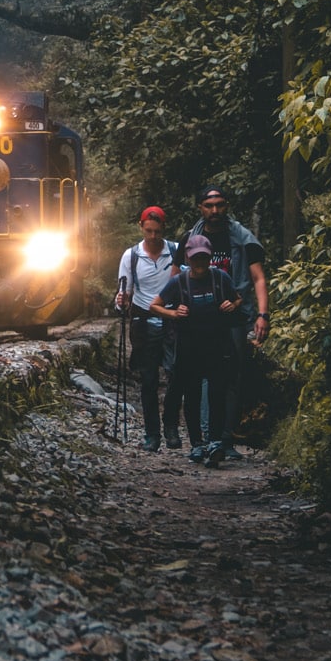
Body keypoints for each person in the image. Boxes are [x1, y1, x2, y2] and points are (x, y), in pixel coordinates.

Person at [181, 186, 269, 462]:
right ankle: (208, 438)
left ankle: (226, 438)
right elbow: (177, 277)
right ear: (200, 207)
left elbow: (258, 278)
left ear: (226, 206)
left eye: (219, 205)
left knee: (232, 378)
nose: (215, 211)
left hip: (234, 319)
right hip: (199, 322)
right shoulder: (191, 240)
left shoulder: (242, 238)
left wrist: (262, 315)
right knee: (203, 377)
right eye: (209, 205)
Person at [151, 240, 241, 466]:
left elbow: (238, 298)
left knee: (216, 394)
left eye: (204, 257)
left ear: (209, 257)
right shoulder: (179, 282)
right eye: (195, 258)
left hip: (217, 345)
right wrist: (173, 313)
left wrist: (232, 304)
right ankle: (197, 444)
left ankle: (215, 442)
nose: (200, 262)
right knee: (191, 396)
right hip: (188, 347)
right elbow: (155, 305)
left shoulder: (220, 278)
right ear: (188, 259)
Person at [114, 206, 179, 451]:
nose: (153, 236)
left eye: (157, 231)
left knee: (176, 376)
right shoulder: (130, 256)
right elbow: (124, 292)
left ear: (163, 229)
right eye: (148, 231)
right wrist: (121, 302)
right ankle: (153, 434)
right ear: (141, 227)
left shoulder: (175, 251)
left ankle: (171, 426)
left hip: (172, 321)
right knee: (149, 380)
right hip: (143, 322)